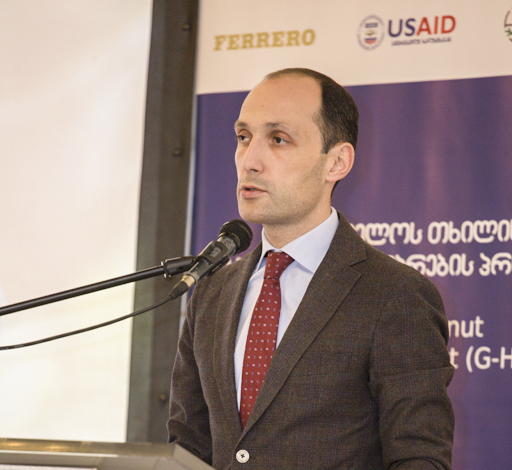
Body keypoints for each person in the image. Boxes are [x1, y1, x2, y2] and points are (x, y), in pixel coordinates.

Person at [167, 68, 454, 469]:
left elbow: (419, 458)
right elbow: (187, 448)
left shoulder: (395, 294)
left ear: (337, 162)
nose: (249, 161)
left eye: (278, 139)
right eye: (243, 137)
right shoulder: (212, 292)